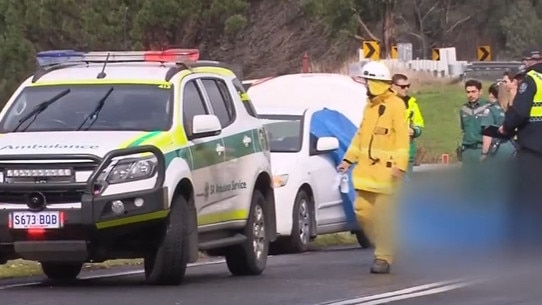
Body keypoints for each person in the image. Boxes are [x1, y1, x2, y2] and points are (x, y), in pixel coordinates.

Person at [337, 60, 409, 274]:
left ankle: (383, 257)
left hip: (387, 175)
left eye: (368, 81)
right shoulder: (369, 107)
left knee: (384, 216)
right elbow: (361, 137)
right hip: (366, 174)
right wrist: (348, 159)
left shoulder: (396, 105)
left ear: (377, 83)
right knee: (363, 214)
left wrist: (400, 166)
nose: (366, 86)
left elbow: (402, 139)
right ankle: (389, 243)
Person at [498, 49, 542, 253]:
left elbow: (520, 112)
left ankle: (520, 244)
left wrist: (506, 127)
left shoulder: (531, 79)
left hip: (533, 146)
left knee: (522, 195)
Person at [391, 74, 425, 176]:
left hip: (407, 152)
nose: (406, 89)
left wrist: (414, 131)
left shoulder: (412, 103)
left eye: (408, 86)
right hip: (389, 153)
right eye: (402, 87)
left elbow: (419, 123)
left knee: (406, 187)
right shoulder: (384, 102)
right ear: (392, 86)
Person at [458, 79, 492, 167]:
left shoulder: (488, 107)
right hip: (467, 149)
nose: (470, 95)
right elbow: (463, 129)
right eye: (468, 92)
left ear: (480, 92)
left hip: (481, 149)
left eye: (473, 91)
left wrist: (485, 152)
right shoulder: (463, 109)